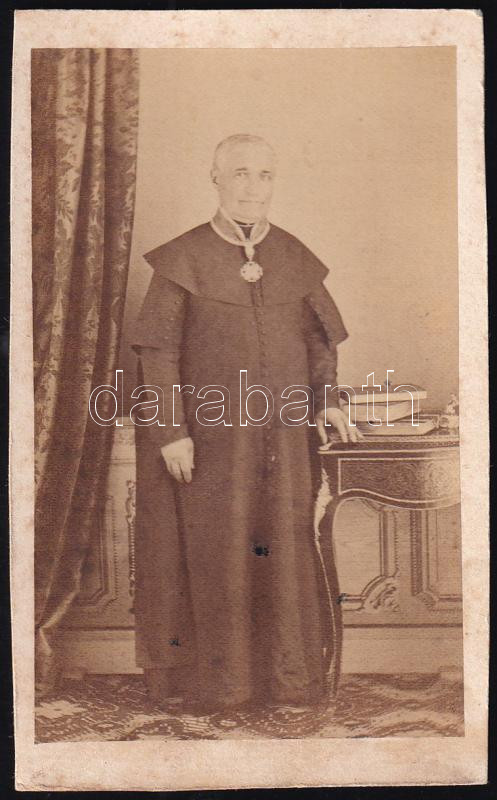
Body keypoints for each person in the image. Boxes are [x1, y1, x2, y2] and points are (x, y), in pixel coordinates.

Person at [132, 133, 359, 712]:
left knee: (283, 551)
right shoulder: (182, 258)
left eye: (263, 175)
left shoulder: (292, 254)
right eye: (239, 173)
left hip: (285, 438)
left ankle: (287, 682)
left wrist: (328, 401)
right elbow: (158, 354)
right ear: (215, 179)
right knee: (222, 553)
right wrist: (171, 433)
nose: (252, 187)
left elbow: (320, 342)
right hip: (211, 443)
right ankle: (225, 687)